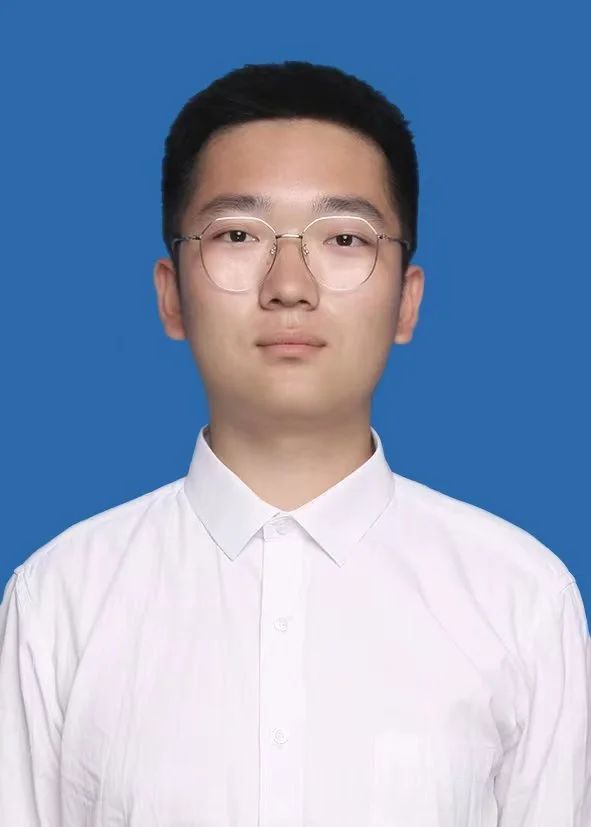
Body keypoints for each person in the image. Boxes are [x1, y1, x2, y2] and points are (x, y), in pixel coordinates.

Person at [0, 60, 589, 827]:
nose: (288, 284)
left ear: (405, 300)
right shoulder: (59, 602)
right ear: (170, 295)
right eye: (237, 234)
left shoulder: (520, 598)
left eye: (342, 237)